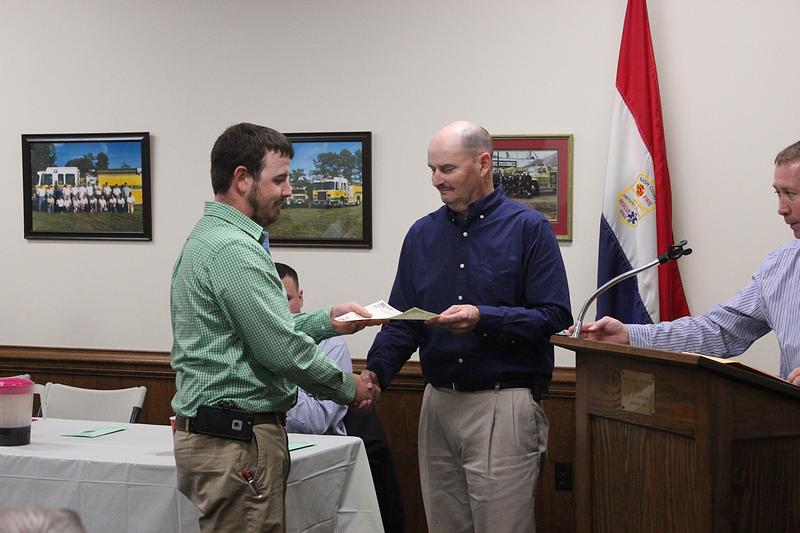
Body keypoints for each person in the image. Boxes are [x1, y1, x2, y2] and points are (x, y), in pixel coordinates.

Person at [170, 122, 381, 533]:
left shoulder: (212, 237)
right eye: (280, 179)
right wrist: (348, 388)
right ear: (242, 178)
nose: (289, 190)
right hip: (236, 439)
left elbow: (260, 329)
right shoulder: (233, 248)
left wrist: (327, 321)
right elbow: (281, 349)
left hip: (224, 436)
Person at [364, 121, 573, 532]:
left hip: (503, 402)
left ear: (483, 163)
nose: (436, 181)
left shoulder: (528, 229)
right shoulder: (421, 235)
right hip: (437, 403)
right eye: (432, 170)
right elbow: (404, 321)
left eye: (447, 169)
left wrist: (483, 318)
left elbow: (554, 315)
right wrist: (374, 374)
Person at [574, 140, 800, 384]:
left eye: (790, 194)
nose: (781, 209)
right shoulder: (779, 267)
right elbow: (719, 331)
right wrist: (629, 335)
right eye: (778, 193)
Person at [274, 261, 351, 435]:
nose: (280, 309)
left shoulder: (331, 345)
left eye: (287, 299)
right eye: (272, 302)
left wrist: (274, 387)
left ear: (300, 297)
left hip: (319, 447)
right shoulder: (254, 342)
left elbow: (319, 422)